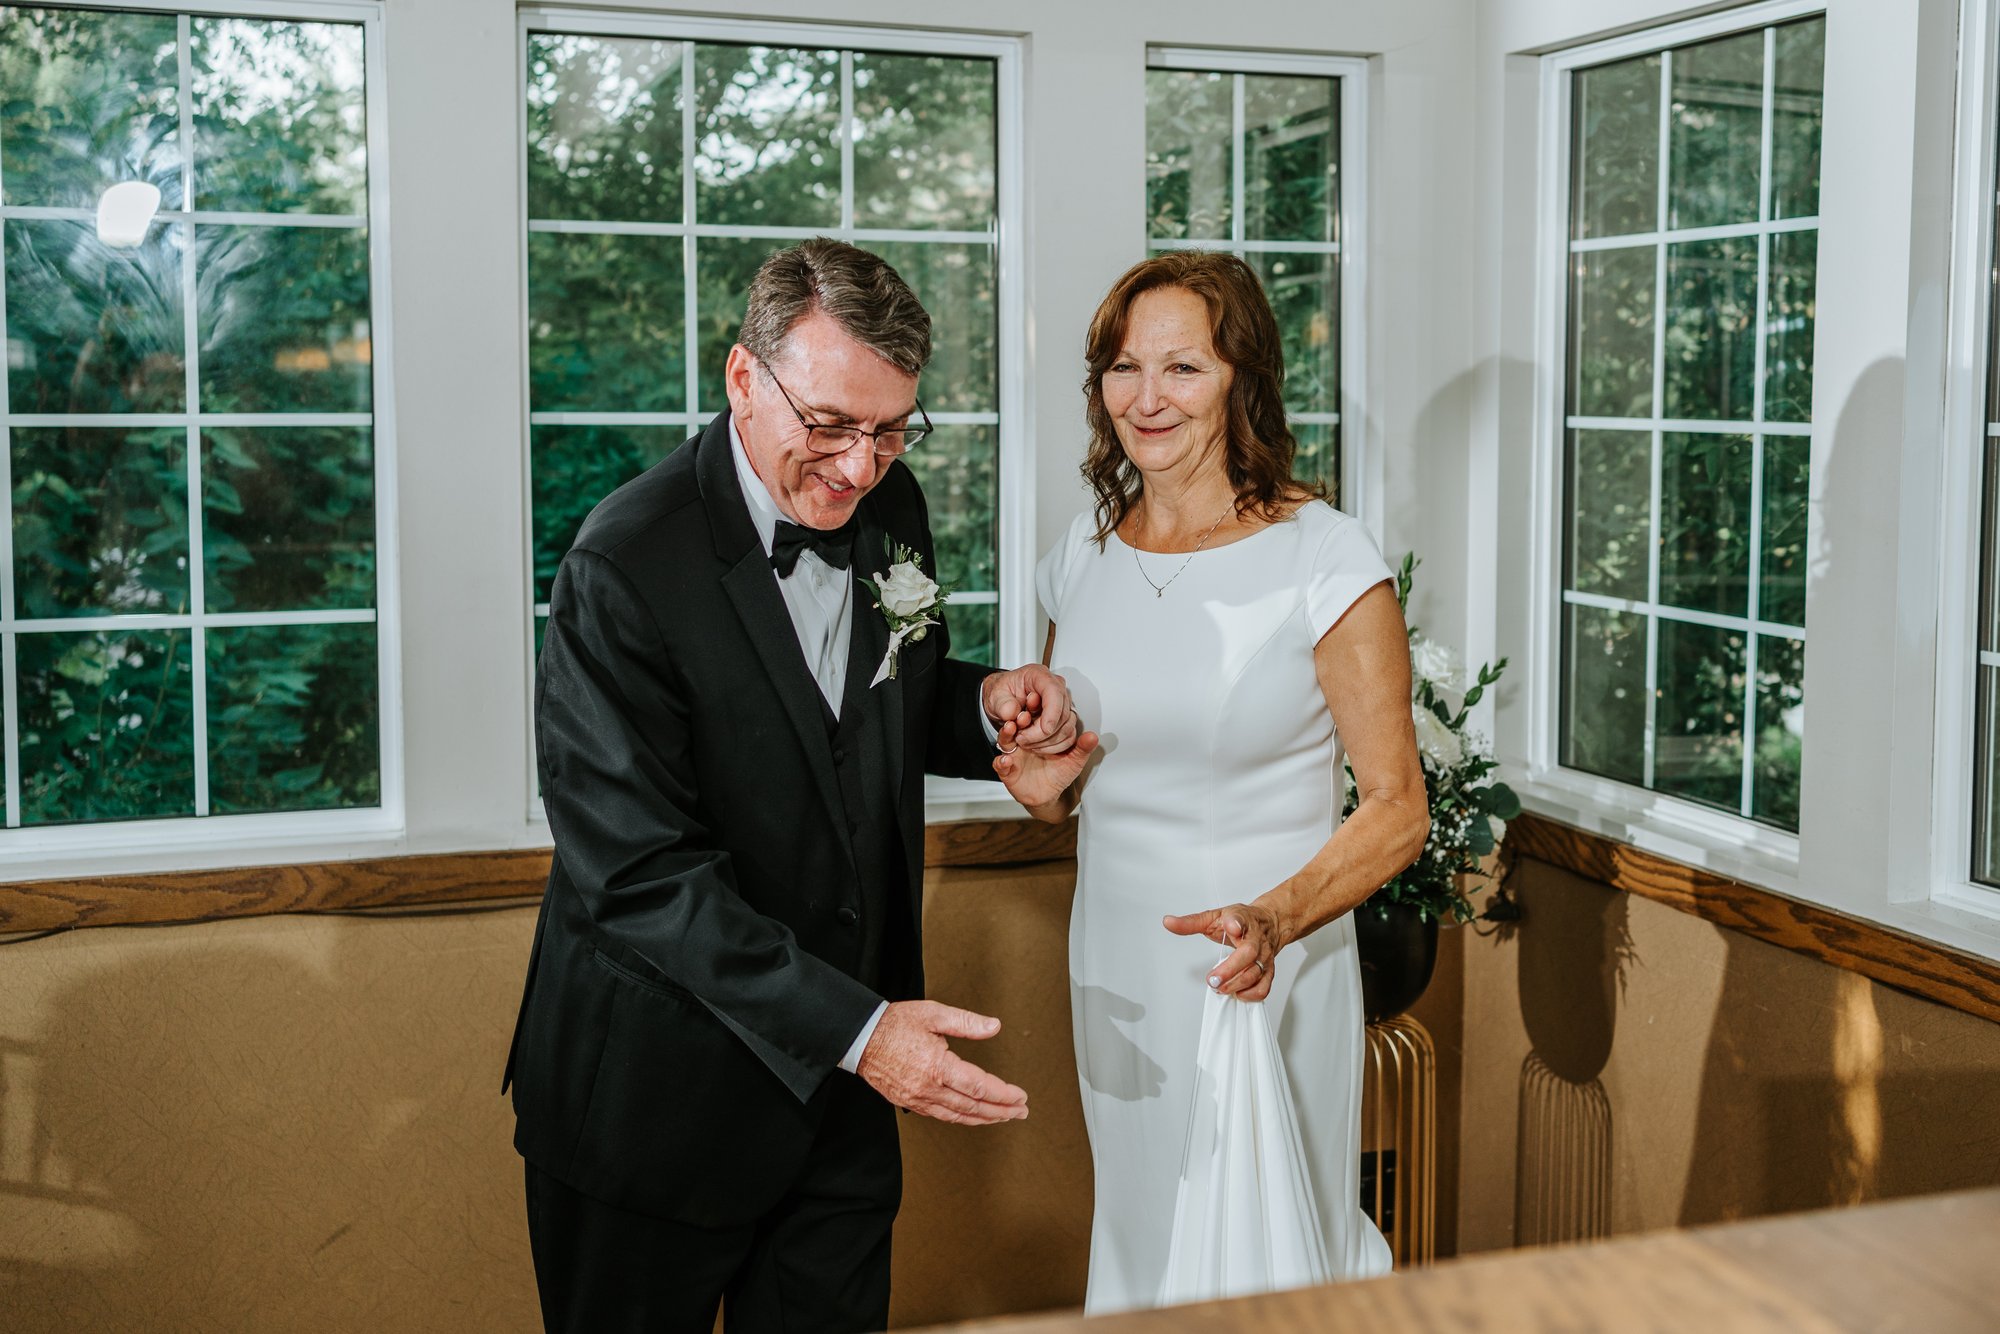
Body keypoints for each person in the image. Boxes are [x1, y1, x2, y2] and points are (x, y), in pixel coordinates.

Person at [504, 238, 1083, 1334]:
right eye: (827, 424)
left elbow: (871, 706)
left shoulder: (889, 507)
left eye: (889, 429)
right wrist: (862, 1030)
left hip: (837, 1107)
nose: (859, 468)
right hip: (651, 1108)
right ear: (740, 379)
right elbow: (637, 873)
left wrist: (987, 704)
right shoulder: (623, 564)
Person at [992, 250, 1430, 1312]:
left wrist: (1276, 918)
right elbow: (1069, 784)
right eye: (1122, 367)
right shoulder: (1079, 558)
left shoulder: (1321, 557)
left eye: (1182, 367)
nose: (1146, 398)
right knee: (1147, 1240)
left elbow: (1397, 807)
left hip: (1262, 965)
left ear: (1242, 379)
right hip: (1117, 969)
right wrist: (1042, 779)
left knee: (1266, 1258)